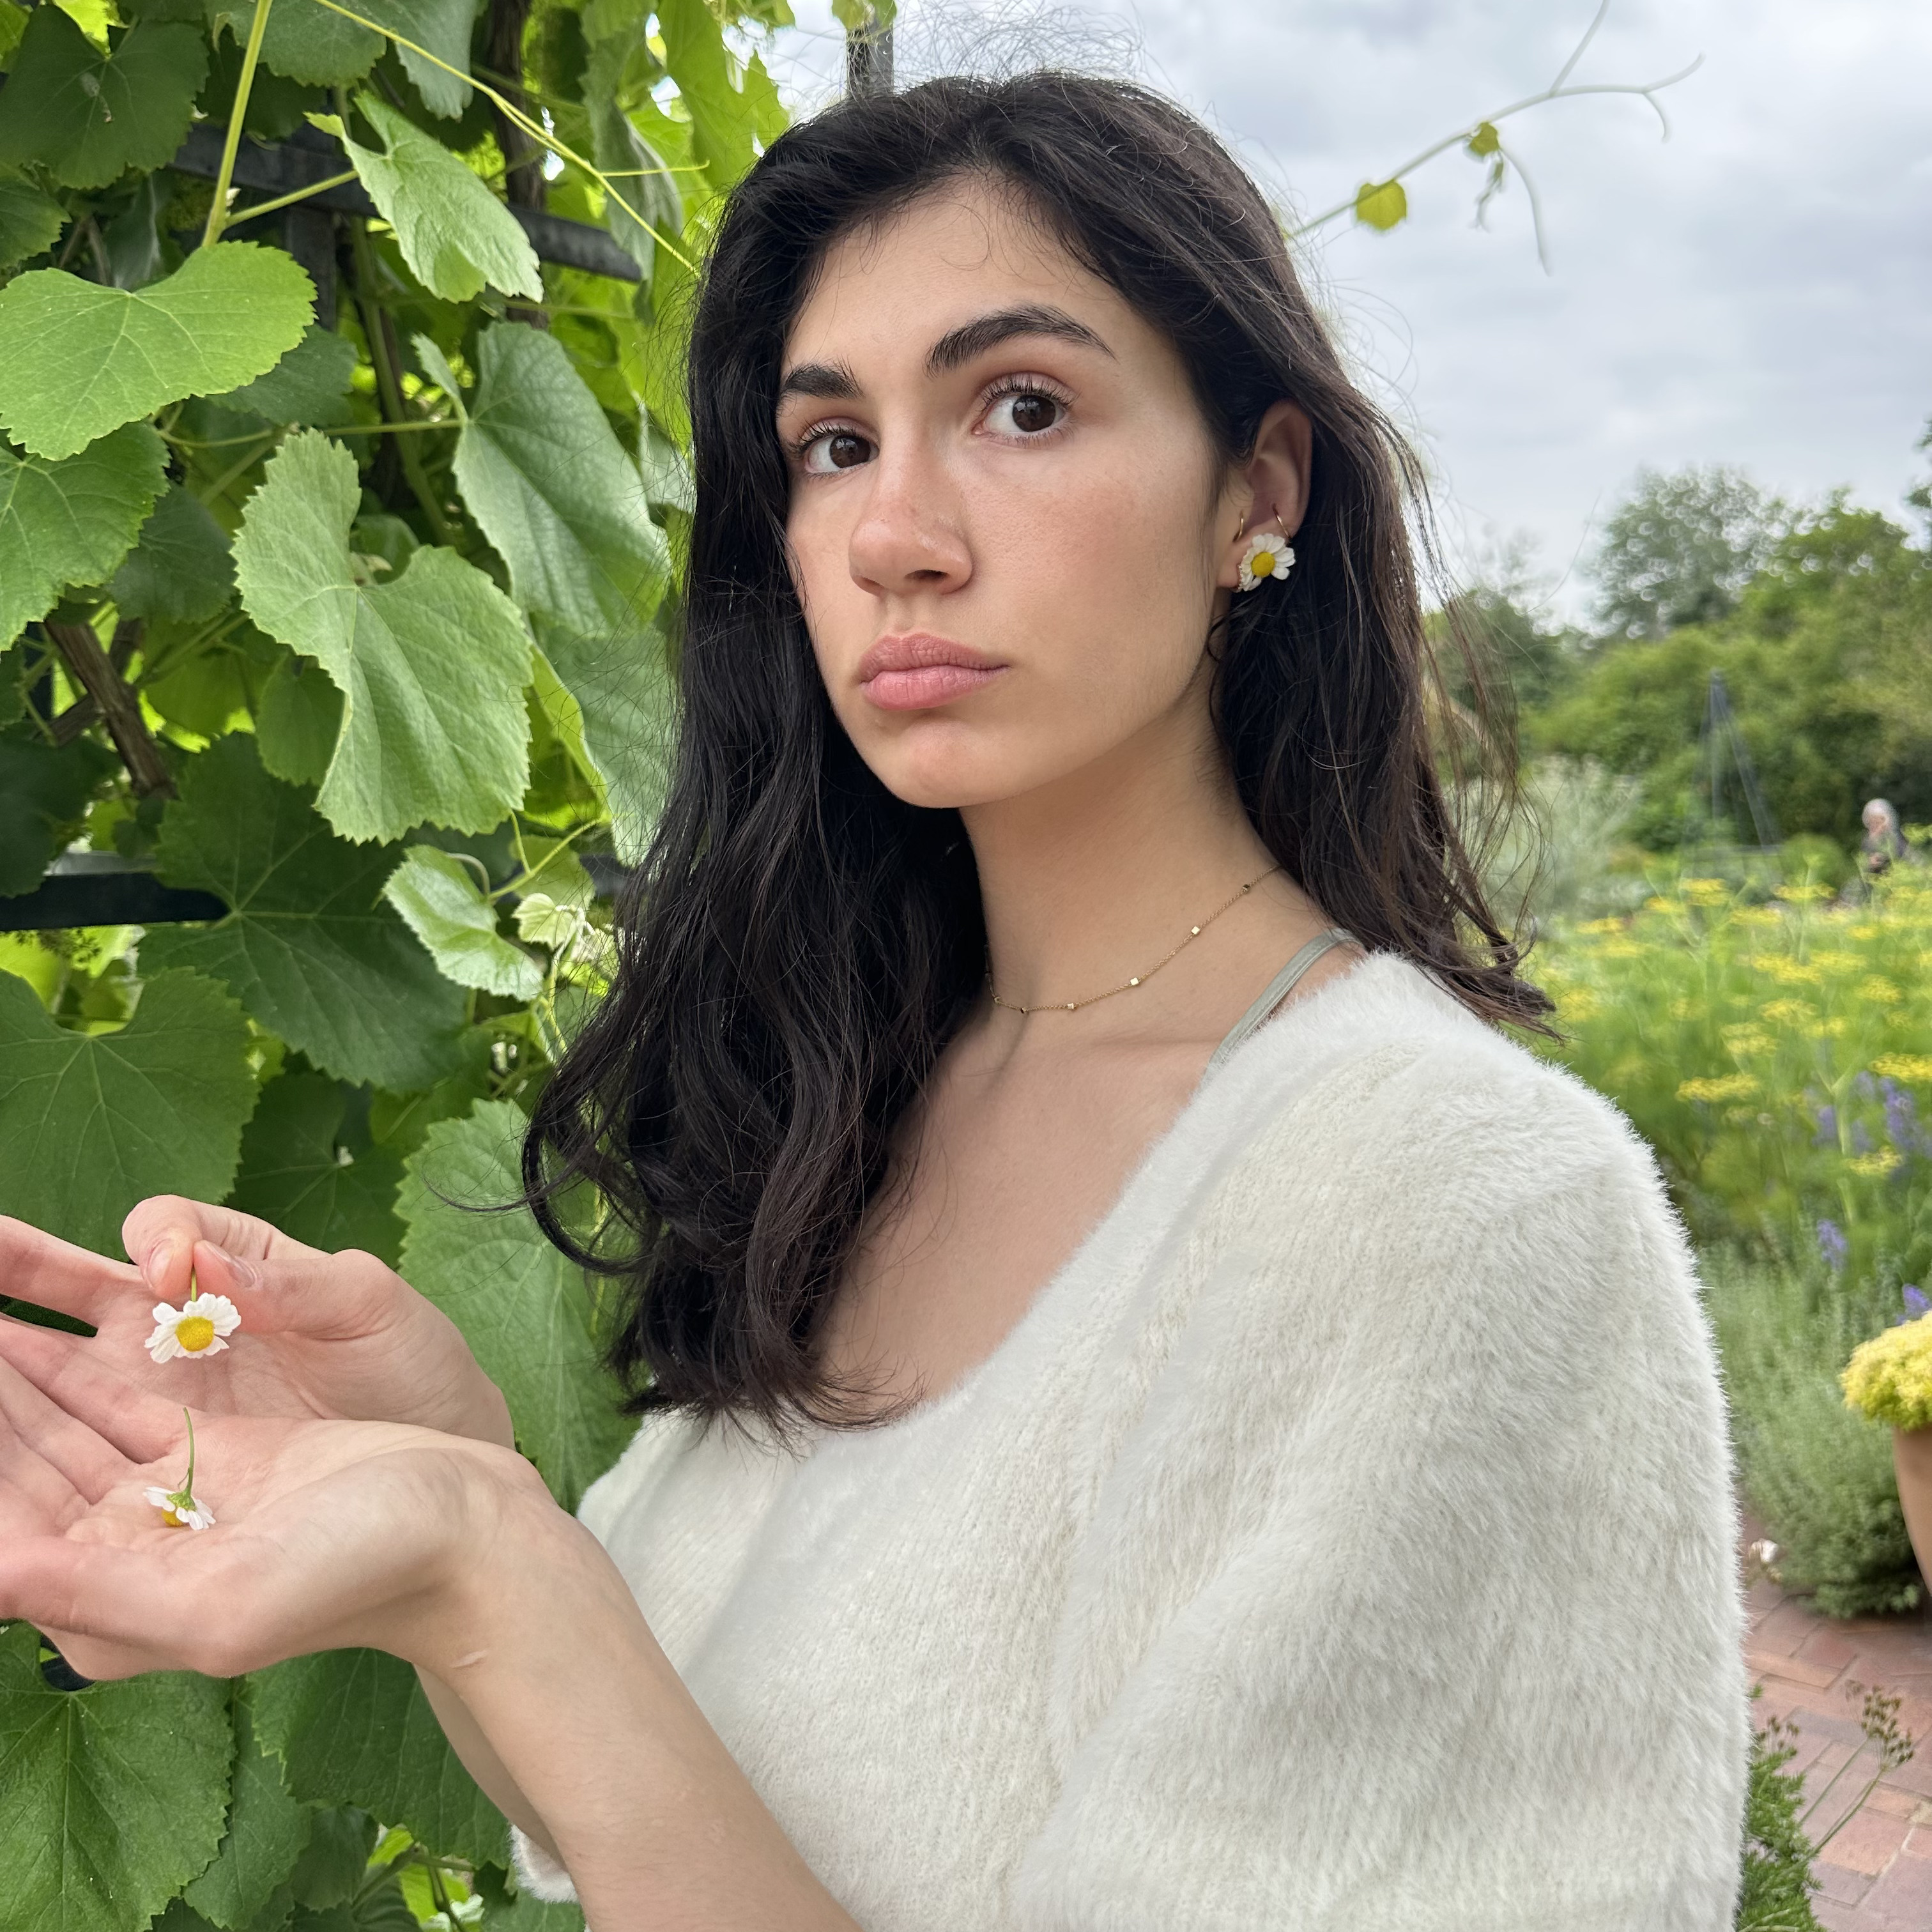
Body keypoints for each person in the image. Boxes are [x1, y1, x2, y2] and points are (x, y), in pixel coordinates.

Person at [0, 71, 1749, 1932]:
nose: (894, 532)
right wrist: (446, 1479)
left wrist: (491, 1561)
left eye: (1021, 406)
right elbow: (654, 1821)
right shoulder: (861, 1099)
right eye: (833, 443)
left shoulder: (1460, 1209)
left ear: (1260, 487)